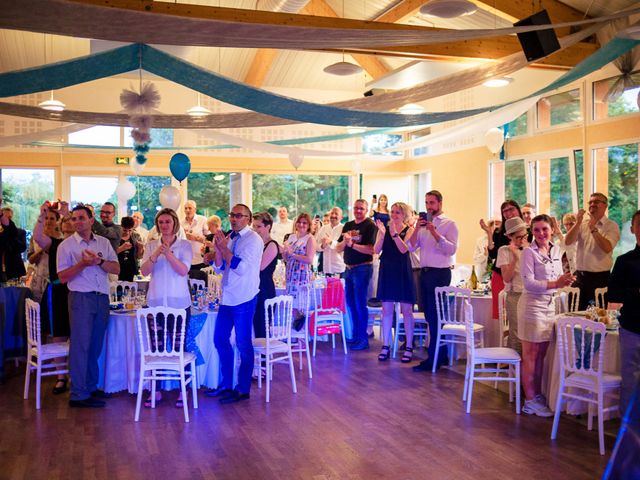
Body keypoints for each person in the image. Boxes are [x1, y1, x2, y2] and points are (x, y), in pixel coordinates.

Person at [57, 204, 119, 408]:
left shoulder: (103, 242)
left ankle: (90, 388)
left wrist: (99, 262)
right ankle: (78, 394)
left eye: (81, 218)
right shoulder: (66, 246)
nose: (77, 222)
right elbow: (63, 277)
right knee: (80, 347)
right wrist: (83, 264)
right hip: (80, 298)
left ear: (91, 221)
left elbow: (116, 268)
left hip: (101, 299)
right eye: (74, 219)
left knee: (95, 346)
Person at [517, 214, 575, 416]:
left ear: (552, 229)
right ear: (532, 232)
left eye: (544, 229)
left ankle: (537, 394)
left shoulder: (557, 250)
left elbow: (558, 275)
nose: (541, 233)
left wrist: (565, 280)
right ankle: (529, 399)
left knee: (542, 354)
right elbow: (529, 283)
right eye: (536, 230)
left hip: (550, 306)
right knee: (530, 355)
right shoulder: (528, 253)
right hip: (532, 306)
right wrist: (556, 284)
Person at [206, 204, 262, 404]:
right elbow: (221, 268)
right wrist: (216, 251)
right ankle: (226, 384)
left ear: (248, 218)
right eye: (232, 215)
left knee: (243, 344)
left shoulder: (253, 240)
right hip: (227, 297)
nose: (233, 219)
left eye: (238, 216)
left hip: (244, 298)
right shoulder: (231, 238)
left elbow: (239, 267)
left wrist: (222, 248)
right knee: (220, 340)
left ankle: (242, 389)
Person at [140, 207, 193, 407]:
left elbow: (183, 270)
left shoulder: (185, 245)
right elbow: (144, 271)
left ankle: (183, 390)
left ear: (174, 224)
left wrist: (168, 254)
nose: (164, 225)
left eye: (167, 222)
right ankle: (156, 389)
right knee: (157, 348)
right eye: (161, 222)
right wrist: (155, 253)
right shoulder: (151, 244)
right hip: (155, 302)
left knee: (180, 347)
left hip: (179, 304)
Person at [409, 191, 458, 372]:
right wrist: (416, 228)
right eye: (426, 203)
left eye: (432, 203)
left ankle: (434, 357)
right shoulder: (422, 226)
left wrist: (434, 232)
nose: (429, 206)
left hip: (440, 273)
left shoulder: (449, 224)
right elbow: (411, 246)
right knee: (429, 315)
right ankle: (441, 355)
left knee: (437, 316)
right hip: (425, 272)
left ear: (440, 203)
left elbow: (451, 249)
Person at [33, 201, 74, 394]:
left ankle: (76, 374)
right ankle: (60, 376)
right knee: (59, 334)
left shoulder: (80, 244)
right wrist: (42, 215)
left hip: (76, 291)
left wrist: (66, 211)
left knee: (77, 334)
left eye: (70, 220)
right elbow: (38, 238)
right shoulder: (54, 243)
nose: (68, 223)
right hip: (57, 292)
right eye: (65, 220)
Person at [374, 202, 416, 363]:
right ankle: (386, 345)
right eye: (392, 212)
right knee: (386, 310)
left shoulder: (409, 229)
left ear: (404, 214)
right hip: (387, 269)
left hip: (402, 270)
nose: (394, 215)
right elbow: (376, 250)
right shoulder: (384, 229)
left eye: (398, 212)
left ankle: (409, 346)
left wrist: (394, 234)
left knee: (406, 310)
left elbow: (403, 249)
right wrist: (383, 234)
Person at [608, 209, 640, 415]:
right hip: (632, 327)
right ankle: (628, 432)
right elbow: (614, 294)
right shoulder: (624, 261)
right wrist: (636, 292)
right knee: (631, 379)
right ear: (633, 228)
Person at [564, 193, 620, 310]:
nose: (592, 204)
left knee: (596, 320)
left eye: (596, 202)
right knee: (574, 315)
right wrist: (578, 222)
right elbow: (568, 241)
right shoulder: (582, 224)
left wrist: (593, 229)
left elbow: (607, 247)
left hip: (599, 280)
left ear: (605, 206)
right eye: (590, 202)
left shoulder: (611, 226)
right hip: (580, 278)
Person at [336, 199, 376, 351]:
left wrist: (352, 244)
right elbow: (338, 248)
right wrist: (345, 243)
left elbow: (371, 249)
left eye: (361, 208)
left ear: (366, 210)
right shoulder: (348, 225)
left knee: (360, 304)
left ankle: (363, 339)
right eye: (356, 208)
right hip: (348, 269)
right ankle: (355, 335)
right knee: (351, 305)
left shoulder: (370, 226)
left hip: (362, 268)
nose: (358, 211)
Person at [481, 200, 525, 320]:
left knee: (519, 315)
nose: (508, 213)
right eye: (504, 211)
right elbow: (493, 254)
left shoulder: (528, 231)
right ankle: (500, 337)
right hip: (500, 274)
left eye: (511, 209)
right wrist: (489, 234)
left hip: (520, 276)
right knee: (501, 312)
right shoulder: (499, 232)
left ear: (518, 210)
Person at [495, 217, 528, 355]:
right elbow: (507, 278)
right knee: (516, 332)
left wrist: (528, 252)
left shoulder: (530, 248)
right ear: (510, 236)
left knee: (528, 332)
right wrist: (515, 258)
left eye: (525, 236)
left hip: (530, 294)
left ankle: (525, 366)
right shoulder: (504, 251)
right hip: (515, 295)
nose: (523, 240)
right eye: (519, 237)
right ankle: (515, 369)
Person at [251, 212, 279, 339]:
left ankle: (264, 358)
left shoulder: (272, 245)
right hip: (255, 288)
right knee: (255, 326)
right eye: (254, 226)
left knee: (262, 327)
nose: (255, 230)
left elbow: (260, 267)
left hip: (265, 289)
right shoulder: (257, 244)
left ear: (268, 227)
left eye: (258, 227)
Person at [283, 213, 316, 306]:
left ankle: (300, 320)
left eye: (304, 223)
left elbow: (309, 259)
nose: (301, 225)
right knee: (290, 304)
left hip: (302, 276)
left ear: (309, 225)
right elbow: (286, 258)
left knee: (300, 306)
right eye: (299, 222)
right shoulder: (291, 237)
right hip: (290, 275)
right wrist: (284, 252)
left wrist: (293, 255)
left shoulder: (310, 238)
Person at [28, 207, 60, 302]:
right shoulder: (35, 238)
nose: (48, 221)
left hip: (54, 279)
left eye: (52, 218)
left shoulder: (61, 238)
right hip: (38, 279)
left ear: (57, 221)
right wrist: (41, 251)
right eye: (46, 218)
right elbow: (31, 260)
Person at [182, 200, 209, 276]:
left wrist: (196, 238)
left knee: (202, 285)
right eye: (186, 208)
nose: (187, 210)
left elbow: (210, 240)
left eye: (190, 208)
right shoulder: (181, 223)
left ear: (195, 209)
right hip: (186, 261)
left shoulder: (203, 220)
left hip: (201, 261)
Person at [0, 206, 27, 283]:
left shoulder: (20, 232)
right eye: (5, 217)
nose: (7, 220)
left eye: (9, 217)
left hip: (15, 269)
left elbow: (22, 248)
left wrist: (10, 235)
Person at [316, 207, 345, 276]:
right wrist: (322, 246)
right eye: (332, 213)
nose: (333, 215)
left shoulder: (344, 229)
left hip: (339, 269)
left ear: (341, 217)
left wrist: (331, 242)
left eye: (336, 214)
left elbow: (343, 247)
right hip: (326, 269)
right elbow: (316, 247)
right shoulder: (323, 228)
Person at [117, 216, 144, 281]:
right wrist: (121, 248)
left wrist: (140, 248)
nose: (127, 233)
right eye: (124, 230)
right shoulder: (116, 236)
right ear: (121, 227)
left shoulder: (136, 236)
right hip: (117, 269)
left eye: (130, 230)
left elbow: (139, 257)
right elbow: (109, 254)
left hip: (132, 269)